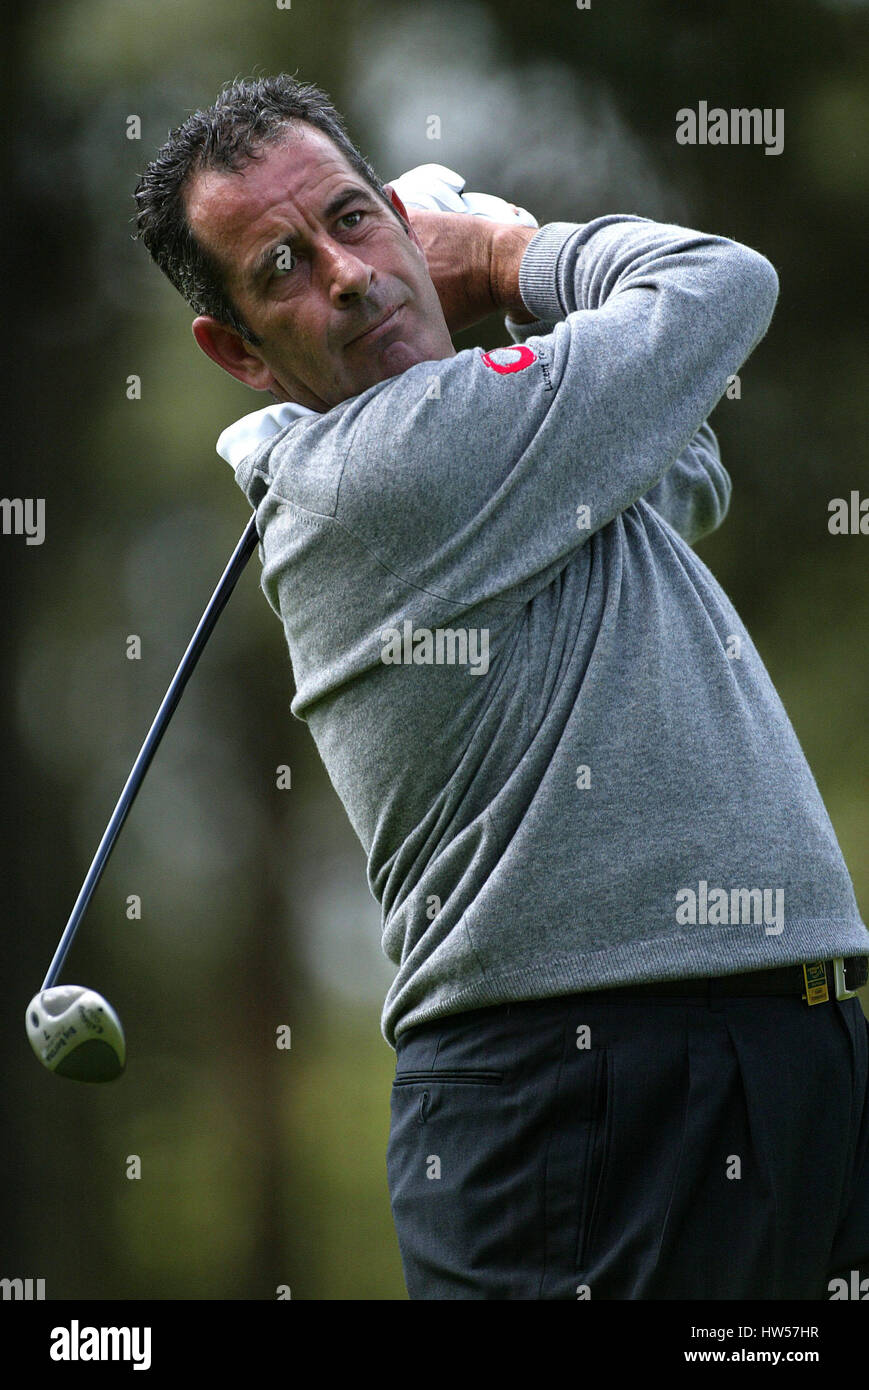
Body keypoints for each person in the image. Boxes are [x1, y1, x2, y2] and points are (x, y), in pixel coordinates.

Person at [134, 74, 869, 1300]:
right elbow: (716, 285)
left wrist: (476, 296)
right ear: (237, 353)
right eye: (280, 268)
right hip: (584, 1090)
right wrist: (502, 250)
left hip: (778, 1043)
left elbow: (682, 460)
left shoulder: (501, 461)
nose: (348, 275)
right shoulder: (377, 476)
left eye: (352, 220)